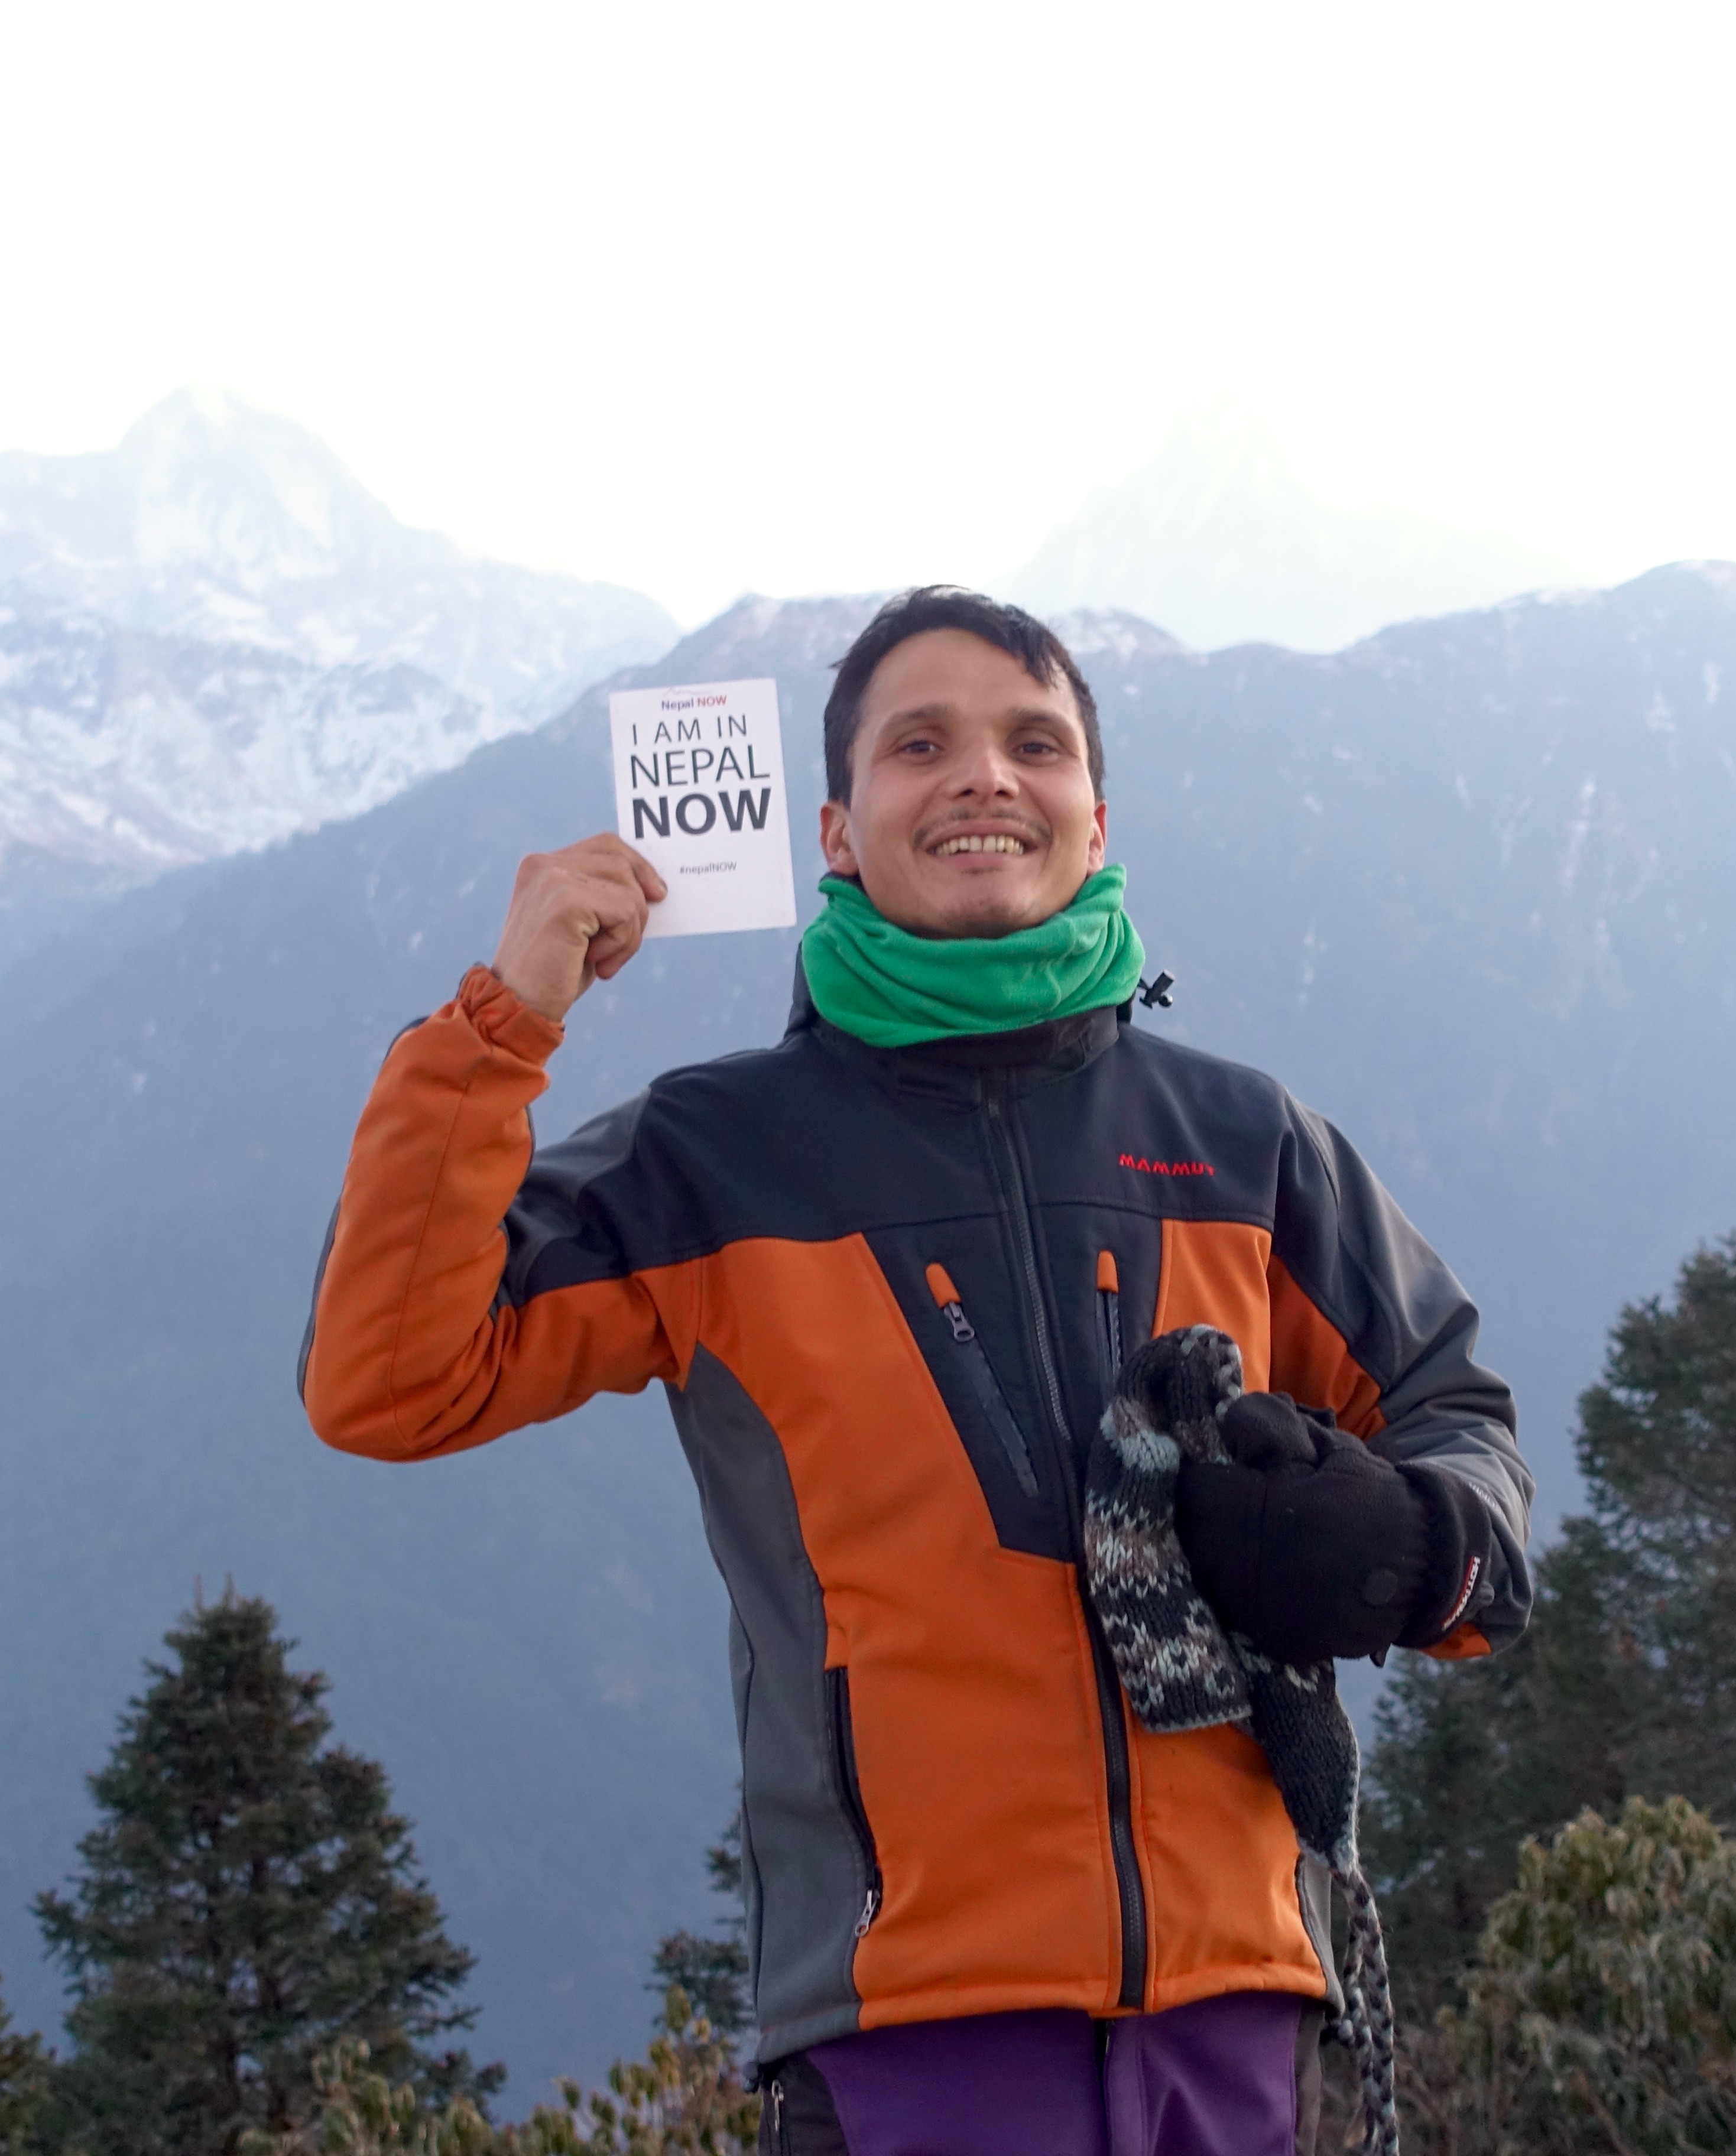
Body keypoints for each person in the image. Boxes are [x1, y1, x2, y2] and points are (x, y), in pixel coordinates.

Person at [302, 586, 1533, 2156]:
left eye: (1036, 743)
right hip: (909, 2041)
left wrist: (1413, 1549)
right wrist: (503, 1022)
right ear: (835, 828)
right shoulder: (717, 1158)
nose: (984, 777)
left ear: (1097, 818)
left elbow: (1455, 1416)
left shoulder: (1246, 1143)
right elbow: (391, 1379)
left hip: (1246, 2023)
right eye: (920, 745)